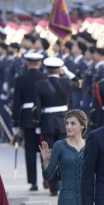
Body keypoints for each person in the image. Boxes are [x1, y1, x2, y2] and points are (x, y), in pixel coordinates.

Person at [33, 57, 80, 196]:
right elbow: (80, 83)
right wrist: (68, 73)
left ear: (46, 70)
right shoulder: (66, 82)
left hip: (47, 122)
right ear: (60, 70)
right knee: (66, 153)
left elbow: (37, 106)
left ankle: (53, 187)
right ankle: (65, 183)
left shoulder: (40, 85)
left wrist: (37, 122)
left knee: (50, 155)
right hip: (65, 122)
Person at [12, 52, 46, 191]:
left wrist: (15, 122)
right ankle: (47, 178)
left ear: (27, 64)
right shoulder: (45, 78)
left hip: (26, 118)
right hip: (42, 118)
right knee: (45, 150)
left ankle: (33, 182)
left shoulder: (20, 79)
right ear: (39, 64)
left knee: (30, 151)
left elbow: (16, 102)